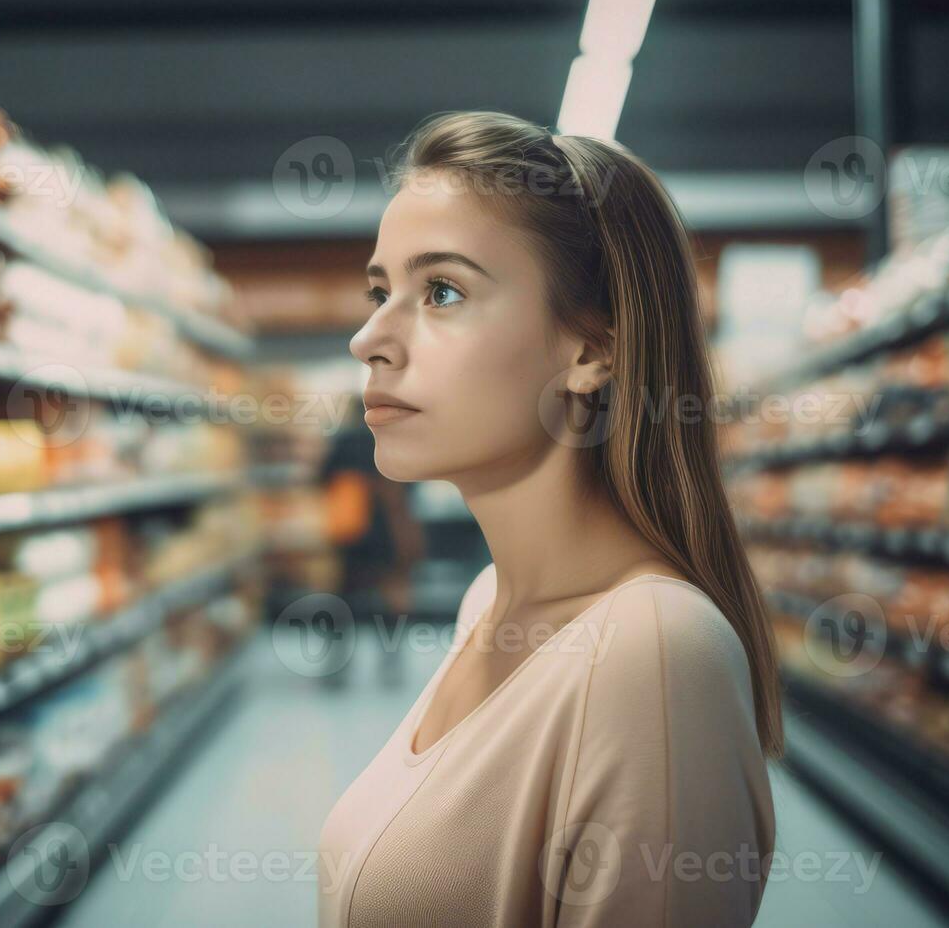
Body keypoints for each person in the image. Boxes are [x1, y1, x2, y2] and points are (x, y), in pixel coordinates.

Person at [317, 111, 780, 927]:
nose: (368, 339)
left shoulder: (654, 652)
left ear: (589, 352)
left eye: (443, 291)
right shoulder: (489, 605)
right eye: (380, 292)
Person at [317, 394, 425, 686]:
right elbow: (411, 485)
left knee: (345, 597)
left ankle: (337, 664)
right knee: (390, 598)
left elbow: (321, 479)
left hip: (351, 534)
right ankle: (390, 661)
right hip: (386, 532)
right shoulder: (392, 440)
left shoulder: (342, 443)